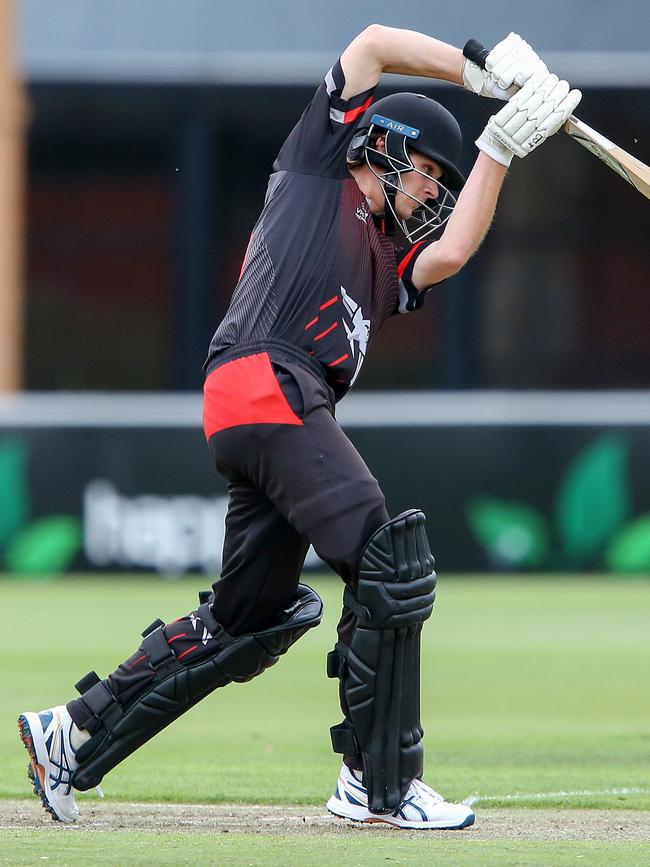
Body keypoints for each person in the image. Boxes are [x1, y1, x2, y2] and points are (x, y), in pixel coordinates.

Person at [18, 26, 580, 830]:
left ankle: (69, 736)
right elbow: (374, 44)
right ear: (385, 146)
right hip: (267, 381)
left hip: (263, 403)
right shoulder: (322, 159)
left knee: (248, 620)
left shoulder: (387, 262)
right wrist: (477, 74)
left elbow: (452, 252)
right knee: (389, 561)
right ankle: (377, 784)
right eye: (427, 171)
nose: (430, 193)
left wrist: (499, 146)